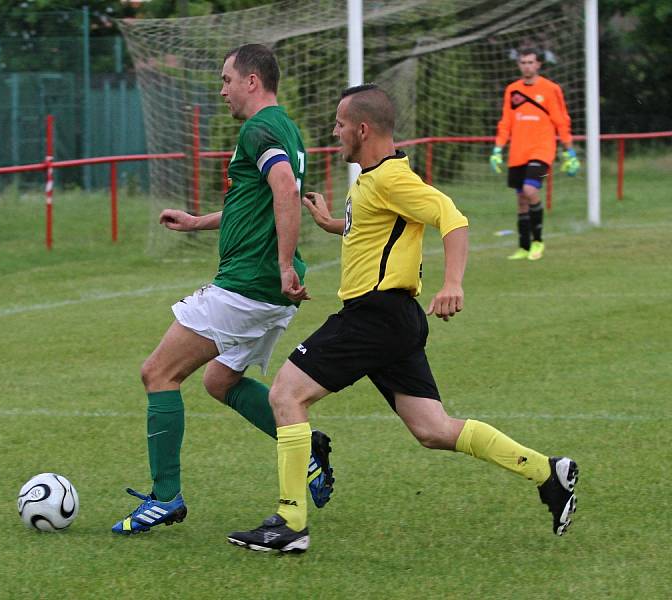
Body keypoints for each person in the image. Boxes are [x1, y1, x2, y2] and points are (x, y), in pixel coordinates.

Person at [227, 84, 579, 553]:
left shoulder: (392, 179)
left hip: (375, 316)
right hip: (394, 320)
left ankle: (289, 523)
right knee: (433, 429)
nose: (334, 132)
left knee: (286, 395)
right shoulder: (373, 178)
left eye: (338, 123)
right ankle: (546, 471)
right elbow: (377, 230)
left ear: (362, 128)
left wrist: (452, 282)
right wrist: (333, 223)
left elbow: (452, 217)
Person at [111, 44, 334, 535]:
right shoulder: (285, 127)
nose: (222, 89)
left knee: (157, 373)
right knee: (220, 382)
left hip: (249, 284)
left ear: (252, 81)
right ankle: (305, 446)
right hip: (266, 286)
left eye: (227, 78)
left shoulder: (260, 128)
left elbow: (285, 191)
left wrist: (280, 266)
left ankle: (165, 497)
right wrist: (196, 223)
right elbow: (254, 206)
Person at [489, 47, 580, 261]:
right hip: (518, 152)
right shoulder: (512, 90)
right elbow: (506, 122)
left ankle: (538, 241)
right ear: (519, 65)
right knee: (521, 199)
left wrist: (570, 150)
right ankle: (524, 246)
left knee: (530, 190)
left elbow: (561, 121)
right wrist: (497, 149)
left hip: (542, 150)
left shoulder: (551, 89)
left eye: (531, 62)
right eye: (523, 62)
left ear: (538, 64)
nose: (527, 66)